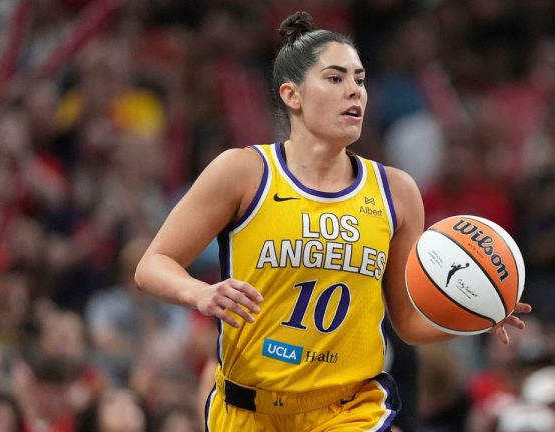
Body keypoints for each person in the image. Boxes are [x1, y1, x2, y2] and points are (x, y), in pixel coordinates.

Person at [134, 10, 530, 431]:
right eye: (336, 78)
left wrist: (475, 315)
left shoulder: (395, 191)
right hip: (248, 410)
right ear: (292, 95)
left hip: (349, 410)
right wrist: (200, 293)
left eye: (360, 80)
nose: (355, 92)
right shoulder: (243, 171)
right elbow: (151, 265)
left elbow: (409, 323)